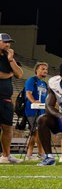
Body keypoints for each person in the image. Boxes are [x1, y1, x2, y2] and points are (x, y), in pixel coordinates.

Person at [0, 33, 24, 163]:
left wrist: (10, 59)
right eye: (5, 42)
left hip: (6, 99)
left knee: (8, 128)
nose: (8, 44)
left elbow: (19, 74)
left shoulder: (8, 57)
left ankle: (6, 155)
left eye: (9, 42)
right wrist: (9, 74)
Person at [21, 62, 49, 162]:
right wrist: (33, 101)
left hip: (42, 111)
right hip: (32, 110)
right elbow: (28, 93)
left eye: (46, 69)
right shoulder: (32, 80)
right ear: (36, 70)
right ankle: (40, 154)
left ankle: (30, 154)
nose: (45, 71)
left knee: (36, 133)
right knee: (37, 132)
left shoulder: (45, 84)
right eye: (42, 69)